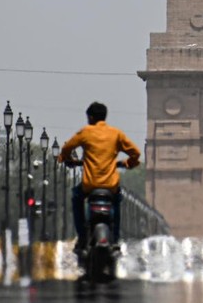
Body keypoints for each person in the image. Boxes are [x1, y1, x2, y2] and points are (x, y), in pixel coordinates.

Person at [59, 102, 141, 256]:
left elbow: (66, 149)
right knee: (117, 203)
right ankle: (115, 240)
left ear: (90, 117)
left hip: (90, 185)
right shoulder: (116, 133)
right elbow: (135, 153)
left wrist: (66, 159)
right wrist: (127, 164)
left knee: (76, 197)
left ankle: (82, 237)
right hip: (110, 186)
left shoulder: (86, 132)